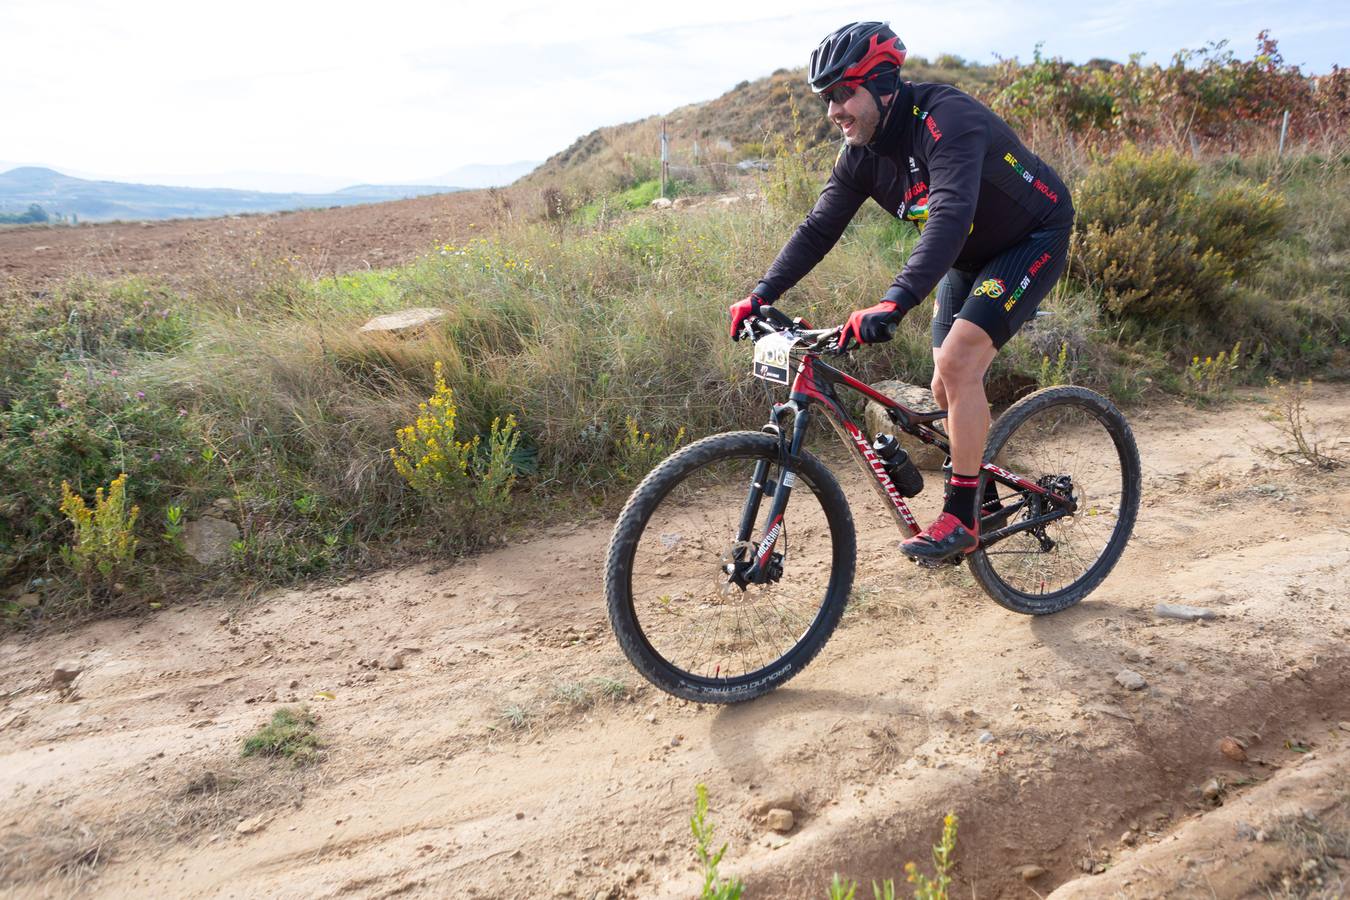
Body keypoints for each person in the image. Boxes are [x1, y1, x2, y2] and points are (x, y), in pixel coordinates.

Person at [729, 21, 1074, 563]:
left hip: (1032, 236)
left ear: (885, 84)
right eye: (827, 98)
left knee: (960, 362)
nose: (833, 111)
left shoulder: (946, 118)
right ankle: (981, 491)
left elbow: (950, 215)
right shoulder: (861, 155)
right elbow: (819, 228)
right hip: (968, 255)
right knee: (945, 384)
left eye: (845, 93)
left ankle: (961, 518)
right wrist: (761, 294)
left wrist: (894, 300)